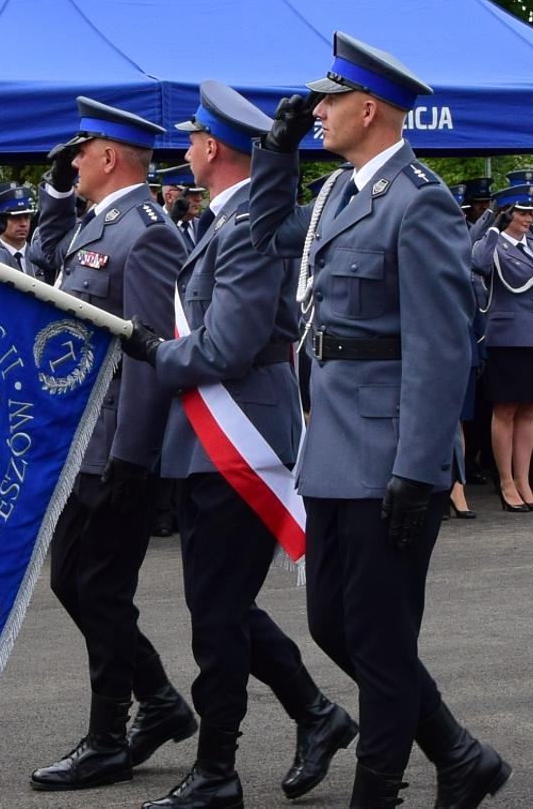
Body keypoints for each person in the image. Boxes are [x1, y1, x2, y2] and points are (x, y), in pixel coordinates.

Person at [249, 31, 510, 807]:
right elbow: (268, 234)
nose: (318, 111)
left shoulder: (419, 201)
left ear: (369, 108)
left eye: (328, 102)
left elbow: (442, 347)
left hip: (390, 450)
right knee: (333, 622)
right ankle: (460, 755)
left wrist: (418, 465)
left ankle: (380, 790)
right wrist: (277, 152)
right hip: (334, 444)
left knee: (383, 641)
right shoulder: (340, 194)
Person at [119, 80, 357, 809]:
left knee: (217, 618)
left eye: (192, 139)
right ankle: (317, 715)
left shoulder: (249, 222)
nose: (185, 149)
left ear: (213, 148)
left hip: (241, 440)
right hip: (211, 439)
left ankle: (218, 770)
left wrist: (152, 352)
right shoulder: (226, 221)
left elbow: (228, 345)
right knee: (219, 607)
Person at [21, 97, 190, 795]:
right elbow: (42, 267)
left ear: (110, 157)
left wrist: (133, 454)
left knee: (102, 589)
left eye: (80, 152)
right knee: (73, 582)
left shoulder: (146, 234)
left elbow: (152, 349)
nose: (73, 159)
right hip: (84, 437)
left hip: (119, 441)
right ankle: (157, 700)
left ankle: (106, 738)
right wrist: (57, 195)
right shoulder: (98, 221)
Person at [472, 184, 533, 512]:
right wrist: (493, 226)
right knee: (506, 409)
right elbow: (478, 263)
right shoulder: (494, 244)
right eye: (522, 212)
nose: (529, 218)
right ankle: (506, 482)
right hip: (507, 337)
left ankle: (523, 480)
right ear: (509, 213)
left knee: (530, 411)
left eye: (531, 213)